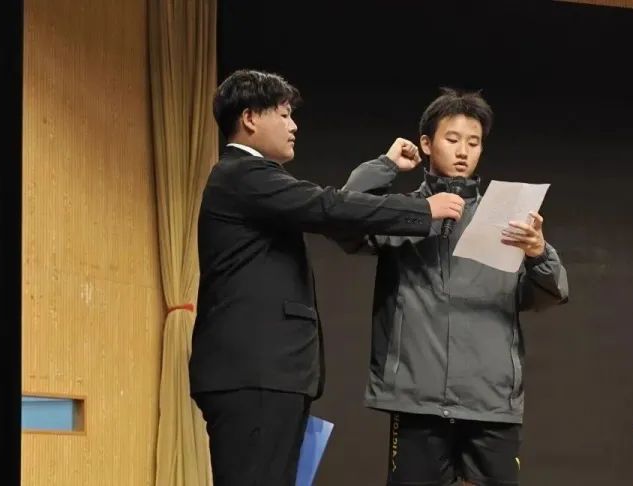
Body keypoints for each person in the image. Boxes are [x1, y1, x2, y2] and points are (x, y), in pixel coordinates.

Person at [189, 69, 467, 486]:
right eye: (284, 114)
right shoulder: (244, 175)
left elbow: (329, 208)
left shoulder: (250, 179)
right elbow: (328, 206)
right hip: (254, 373)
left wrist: (386, 166)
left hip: (266, 375)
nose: (294, 126)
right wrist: (423, 210)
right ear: (249, 118)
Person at [332, 88, 569, 486]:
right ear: (426, 144)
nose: (463, 151)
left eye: (473, 143)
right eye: (453, 139)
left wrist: (538, 253)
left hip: (490, 399)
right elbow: (343, 219)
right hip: (417, 396)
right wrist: (386, 166)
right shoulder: (404, 211)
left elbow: (548, 293)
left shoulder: (505, 218)